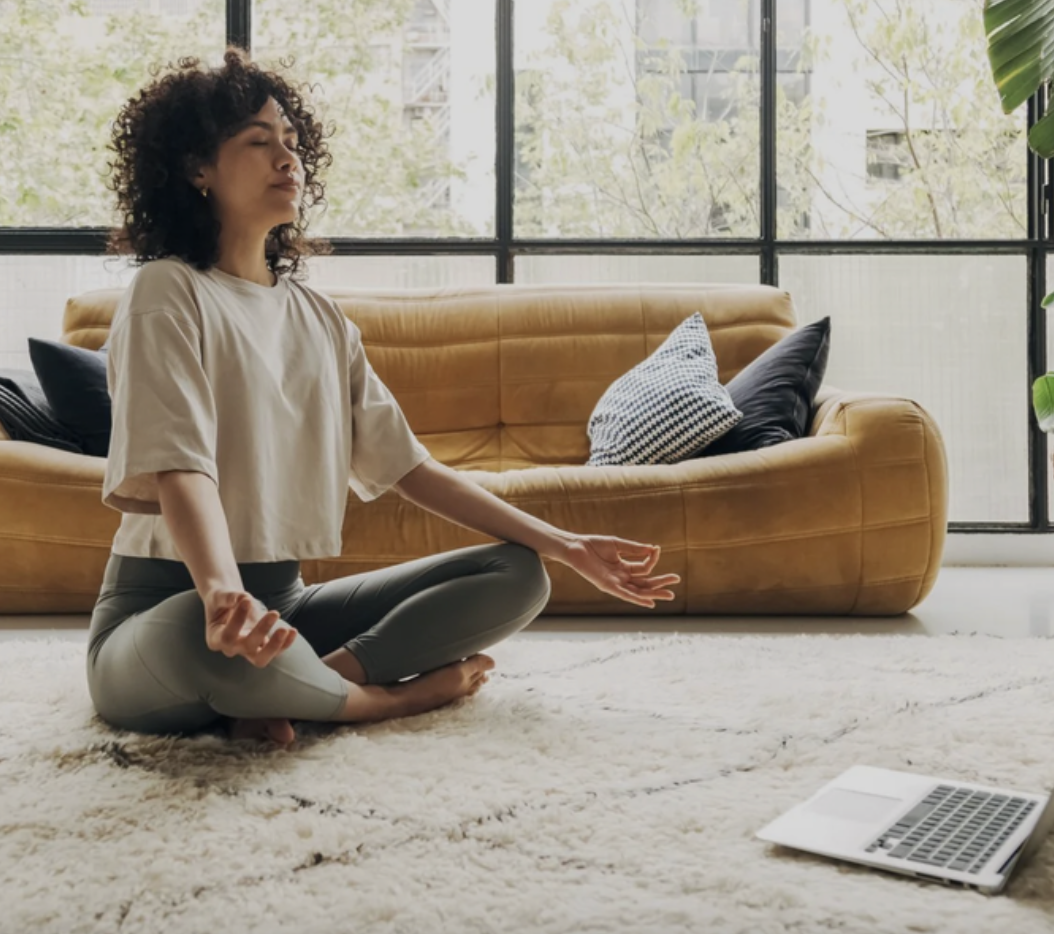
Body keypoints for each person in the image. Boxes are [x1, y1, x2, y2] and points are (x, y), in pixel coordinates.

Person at [87, 49, 680, 749]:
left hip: (284, 606)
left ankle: (309, 682)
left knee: (518, 573)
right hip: (166, 609)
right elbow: (181, 465)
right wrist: (220, 593)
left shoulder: (321, 319)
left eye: (292, 142)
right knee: (199, 635)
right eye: (258, 141)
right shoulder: (168, 290)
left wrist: (566, 543)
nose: (288, 159)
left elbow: (410, 469)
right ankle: (378, 702)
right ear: (196, 169)